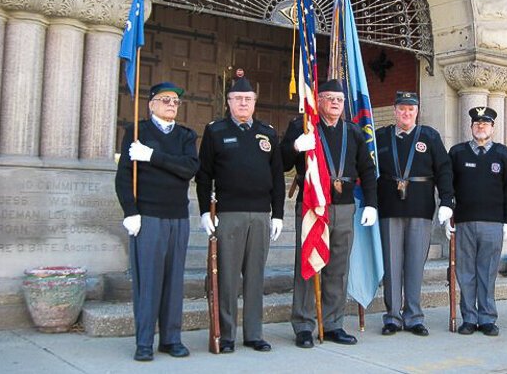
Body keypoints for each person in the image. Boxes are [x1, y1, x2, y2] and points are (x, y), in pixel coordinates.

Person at [280, 79, 378, 349]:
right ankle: (303, 325)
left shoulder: (354, 132)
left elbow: (368, 170)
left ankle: (333, 323)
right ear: (318, 100)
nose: (335, 103)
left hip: (344, 206)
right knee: (309, 265)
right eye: (330, 98)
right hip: (313, 204)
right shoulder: (302, 127)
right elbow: (283, 162)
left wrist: (371, 203)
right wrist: (295, 147)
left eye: (340, 99)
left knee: (338, 267)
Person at [195, 76, 284, 353]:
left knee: (256, 276)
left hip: (260, 214)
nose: (243, 103)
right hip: (229, 213)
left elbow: (277, 177)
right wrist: (203, 211)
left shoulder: (267, 132)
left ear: (255, 103)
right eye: (238, 99)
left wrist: (278, 214)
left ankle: (254, 333)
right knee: (228, 277)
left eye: (248, 99)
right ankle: (227, 334)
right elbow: (204, 175)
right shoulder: (215, 131)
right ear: (229, 102)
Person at [115, 81, 199, 362]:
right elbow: (124, 176)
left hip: (177, 215)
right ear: (151, 104)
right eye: (165, 100)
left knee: (174, 281)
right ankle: (144, 342)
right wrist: (130, 211)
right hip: (148, 216)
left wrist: (152, 156)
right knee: (148, 281)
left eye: (175, 102)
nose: (171, 105)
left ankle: (171, 338)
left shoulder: (186, 136)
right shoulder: (137, 132)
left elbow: (188, 168)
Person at [375, 91, 454, 337]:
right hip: (389, 207)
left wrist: (447, 201)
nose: (406, 113)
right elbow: (368, 168)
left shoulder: (429, 136)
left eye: (411, 109)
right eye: (402, 108)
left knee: (414, 265)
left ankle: (414, 316)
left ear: (417, 111)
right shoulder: (381, 136)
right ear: (395, 110)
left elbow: (444, 169)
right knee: (392, 264)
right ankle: (392, 316)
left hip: (420, 208)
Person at [448, 106, 507, 337]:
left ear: (492, 128)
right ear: (471, 127)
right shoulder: (457, 153)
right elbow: (449, 187)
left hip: (493, 222)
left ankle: (487, 318)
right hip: (465, 220)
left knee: (487, 271)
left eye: (485, 123)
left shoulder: (504, 154)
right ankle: (469, 317)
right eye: (477, 123)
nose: (481, 127)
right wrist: (449, 212)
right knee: (466, 271)